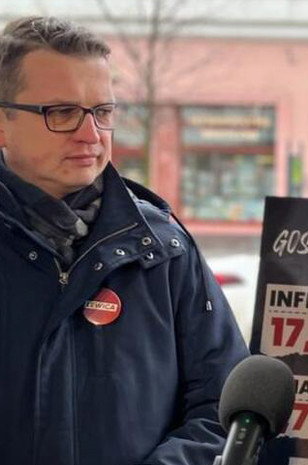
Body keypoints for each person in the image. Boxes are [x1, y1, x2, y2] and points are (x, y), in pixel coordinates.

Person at [0, 16, 249, 465]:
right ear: (3, 122)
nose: (91, 134)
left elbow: (224, 404)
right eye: (62, 112)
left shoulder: (163, 248)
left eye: (103, 112)